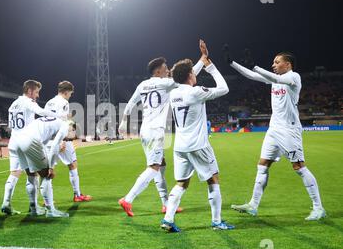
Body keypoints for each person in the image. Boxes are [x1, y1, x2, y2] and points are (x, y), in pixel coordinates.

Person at [224, 47, 326, 220]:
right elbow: (252, 75)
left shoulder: (294, 77)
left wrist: (255, 65)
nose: (273, 64)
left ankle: (318, 208)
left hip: (289, 130)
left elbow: (273, 77)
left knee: (299, 167)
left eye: (277, 62)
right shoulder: (275, 79)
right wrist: (231, 63)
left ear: (288, 64)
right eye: (273, 62)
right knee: (262, 165)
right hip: (273, 129)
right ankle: (253, 205)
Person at [117, 40, 209, 217]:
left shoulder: (142, 85)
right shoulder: (165, 83)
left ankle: (166, 203)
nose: (168, 70)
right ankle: (128, 199)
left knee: (160, 164)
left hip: (145, 131)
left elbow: (130, 103)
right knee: (153, 167)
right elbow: (187, 77)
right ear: (158, 70)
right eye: (166, 68)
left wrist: (123, 122)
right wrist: (203, 59)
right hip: (157, 131)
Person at [160, 56, 234, 233]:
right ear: (189, 75)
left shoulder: (174, 93)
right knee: (213, 179)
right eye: (193, 72)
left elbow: (183, 77)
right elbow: (224, 88)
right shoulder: (195, 92)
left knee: (181, 183)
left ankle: (168, 219)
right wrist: (210, 66)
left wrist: (201, 60)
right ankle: (217, 221)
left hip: (180, 147)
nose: (195, 74)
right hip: (198, 145)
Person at [0, 80, 58, 216]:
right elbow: (41, 111)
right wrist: (59, 117)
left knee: (14, 173)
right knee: (33, 174)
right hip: (26, 142)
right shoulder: (28, 102)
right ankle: (34, 207)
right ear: (30, 90)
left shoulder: (13, 104)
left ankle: (6, 203)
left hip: (14, 142)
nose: (37, 96)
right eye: (37, 92)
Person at [8, 116, 70, 218]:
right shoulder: (65, 126)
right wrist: (51, 167)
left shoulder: (50, 122)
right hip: (30, 140)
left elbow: (44, 144)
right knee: (46, 175)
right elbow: (54, 145)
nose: (68, 139)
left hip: (18, 140)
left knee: (31, 175)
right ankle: (51, 210)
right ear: (71, 127)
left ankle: (34, 209)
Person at [44, 81, 92, 202]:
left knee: (48, 170)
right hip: (61, 139)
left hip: (47, 140)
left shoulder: (49, 102)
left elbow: (48, 120)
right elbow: (60, 122)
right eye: (70, 93)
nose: (70, 96)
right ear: (66, 92)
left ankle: (47, 200)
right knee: (72, 164)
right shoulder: (64, 102)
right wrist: (60, 140)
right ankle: (77, 195)